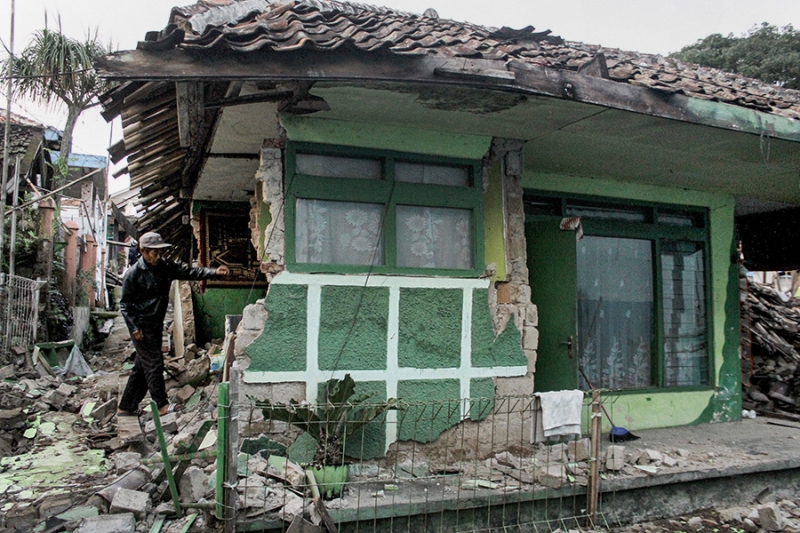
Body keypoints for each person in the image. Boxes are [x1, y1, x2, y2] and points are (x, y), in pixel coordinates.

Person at [117, 232, 230, 417]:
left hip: (155, 323)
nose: (158, 256)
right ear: (143, 251)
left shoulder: (165, 267)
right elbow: (125, 304)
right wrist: (134, 327)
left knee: (141, 367)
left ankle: (126, 406)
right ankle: (161, 405)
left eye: (160, 252)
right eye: (154, 252)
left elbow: (190, 272)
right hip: (142, 326)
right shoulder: (133, 274)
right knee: (154, 364)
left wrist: (214, 272)